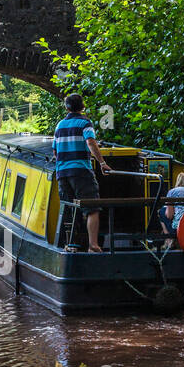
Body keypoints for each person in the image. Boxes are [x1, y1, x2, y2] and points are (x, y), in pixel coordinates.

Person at [52, 93, 111, 252]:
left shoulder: (60, 125)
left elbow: (55, 152)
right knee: (92, 207)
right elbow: (90, 142)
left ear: (66, 107)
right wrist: (102, 163)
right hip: (81, 171)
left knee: (70, 208)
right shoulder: (85, 123)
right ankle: (93, 245)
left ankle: (70, 244)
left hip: (62, 173)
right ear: (83, 106)